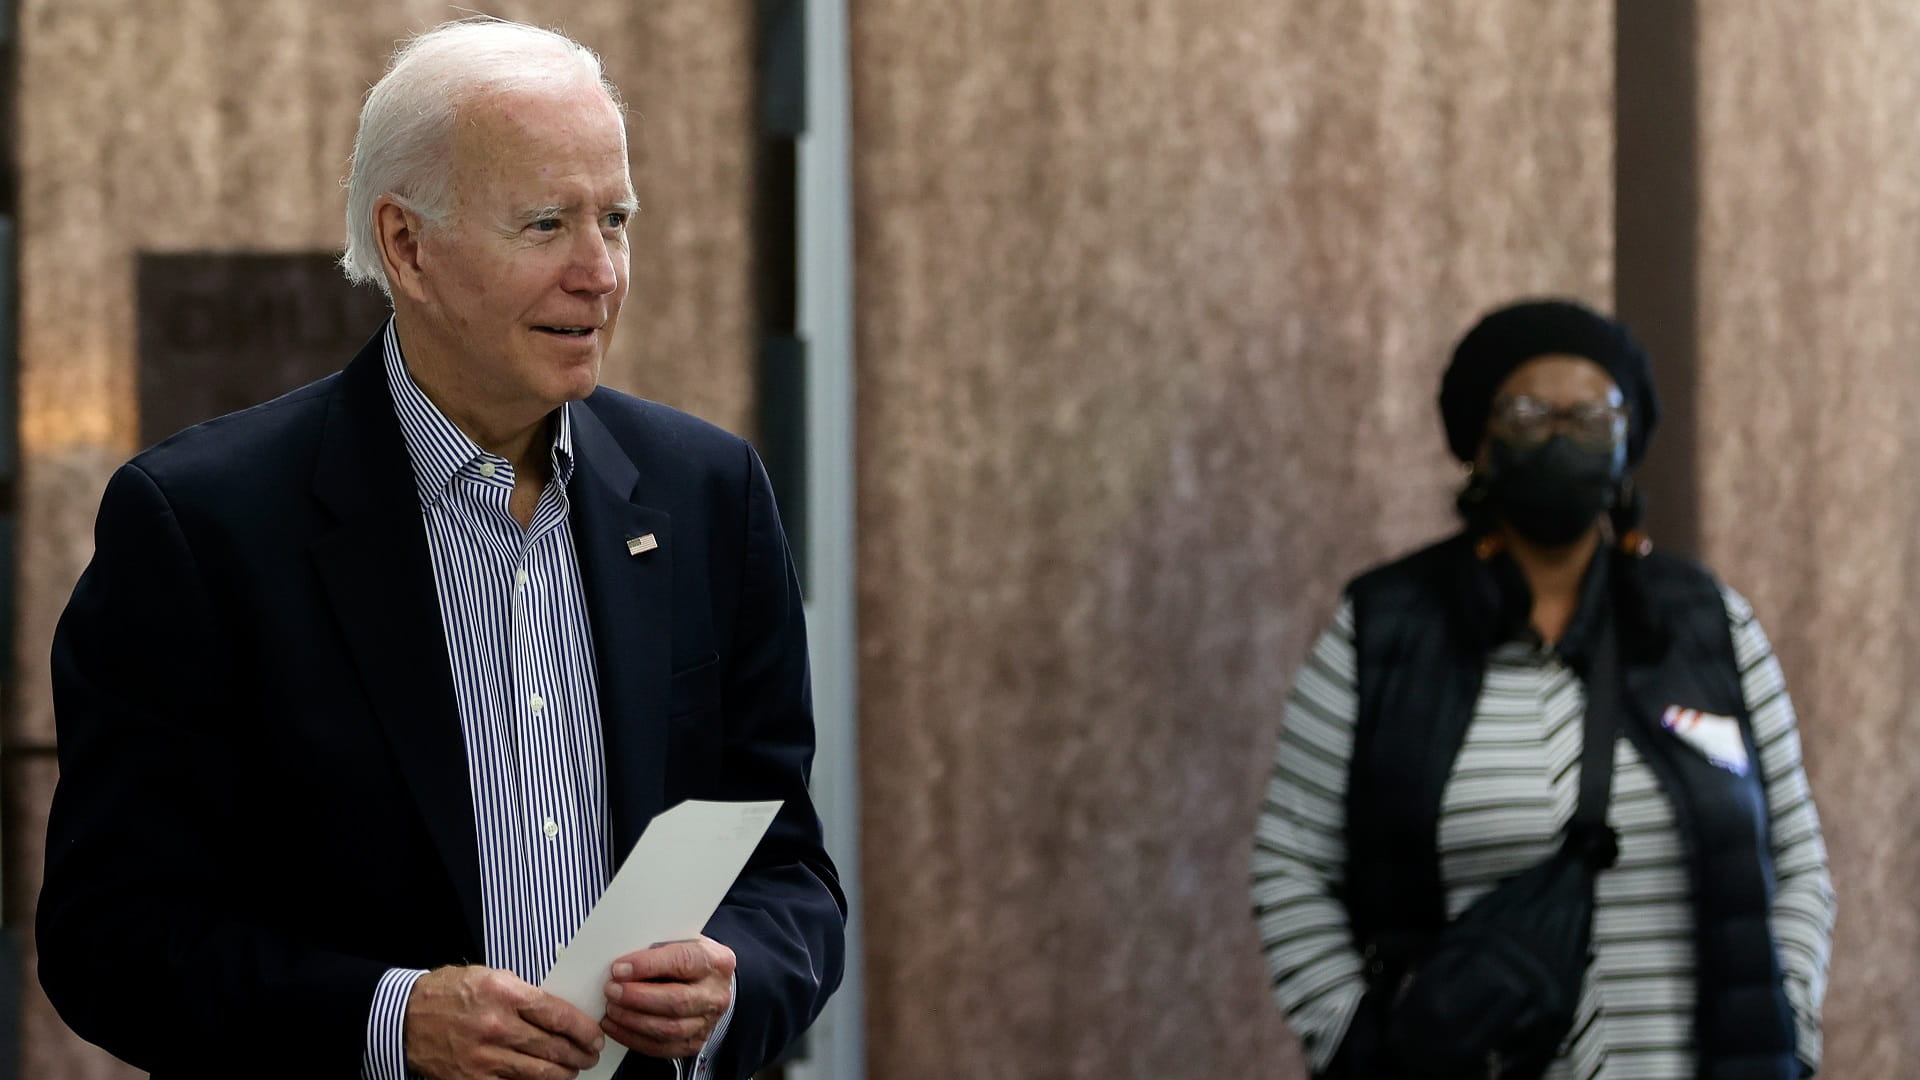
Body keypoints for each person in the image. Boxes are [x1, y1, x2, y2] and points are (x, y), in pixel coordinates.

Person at [37, 18, 844, 1080]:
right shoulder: (199, 527)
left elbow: (789, 872)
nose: (598, 273)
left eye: (617, 219)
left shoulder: (709, 495)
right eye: (547, 223)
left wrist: (734, 974)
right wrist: (390, 1022)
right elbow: (109, 941)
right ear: (407, 246)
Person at [1252, 299, 1834, 1078]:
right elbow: (1290, 861)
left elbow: (1795, 855)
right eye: (1528, 412)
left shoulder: (1706, 623)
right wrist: (1358, 1043)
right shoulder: (1384, 630)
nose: (1563, 436)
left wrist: (1787, 1019)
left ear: (1628, 440)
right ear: (1478, 441)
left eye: (1592, 413)